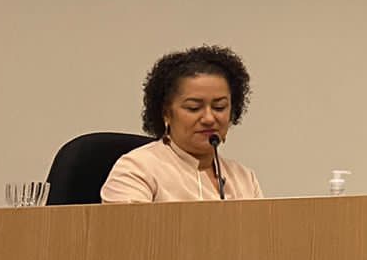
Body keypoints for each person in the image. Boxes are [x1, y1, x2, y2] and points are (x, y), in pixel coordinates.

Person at [101, 45, 264, 202]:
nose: (209, 118)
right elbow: (129, 230)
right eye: (194, 108)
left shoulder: (244, 179)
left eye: (219, 107)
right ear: (166, 113)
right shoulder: (136, 170)